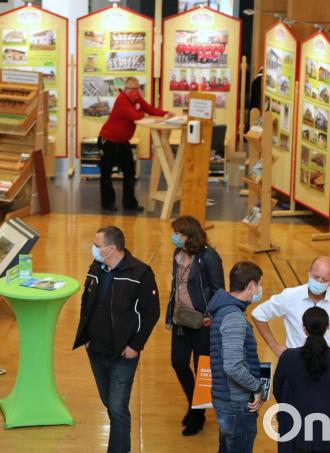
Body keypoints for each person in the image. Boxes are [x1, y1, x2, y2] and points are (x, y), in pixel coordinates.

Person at [73, 226, 160, 453]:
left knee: (118, 408)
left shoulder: (141, 273)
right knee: (110, 403)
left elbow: (151, 313)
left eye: (97, 245)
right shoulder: (96, 267)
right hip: (96, 349)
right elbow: (86, 302)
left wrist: (135, 345)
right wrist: (86, 336)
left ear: (111, 249)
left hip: (123, 353)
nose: (93, 248)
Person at [165, 216, 225, 436]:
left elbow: (219, 290)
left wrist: (212, 316)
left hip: (203, 323)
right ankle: (193, 405)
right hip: (182, 319)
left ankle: (197, 415)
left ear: (190, 235)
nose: (175, 237)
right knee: (178, 362)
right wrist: (169, 316)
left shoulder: (209, 257)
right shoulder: (177, 254)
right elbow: (176, 287)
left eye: (179, 234)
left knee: (202, 372)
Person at [273, 306, 330, 453]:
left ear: (304, 328)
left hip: (296, 429)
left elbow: (277, 390)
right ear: (327, 327)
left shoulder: (288, 357)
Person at [208, 261, 265, 453]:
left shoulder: (225, 310)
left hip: (226, 398)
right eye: (259, 284)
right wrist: (256, 387)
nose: (260, 290)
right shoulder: (233, 317)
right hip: (236, 402)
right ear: (250, 285)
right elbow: (232, 365)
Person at [252, 256, 330, 357]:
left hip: (328, 365)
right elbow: (259, 314)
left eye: (325, 280)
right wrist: (275, 348)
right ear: (309, 273)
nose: (319, 282)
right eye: (316, 277)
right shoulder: (290, 296)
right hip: (296, 363)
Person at [97, 77, 171, 213]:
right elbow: (135, 116)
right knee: (106, 174)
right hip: (108, 140)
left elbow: (150, 109)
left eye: (137, 88)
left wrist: (166, 113)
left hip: (123, 142)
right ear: (126, 89)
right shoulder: (121, 101)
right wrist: (142, 113)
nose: (135, 91)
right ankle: (107, 203)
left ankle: (129, 203)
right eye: (132, 88)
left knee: (130, 173)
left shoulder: (137, 100)